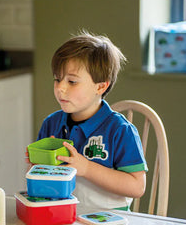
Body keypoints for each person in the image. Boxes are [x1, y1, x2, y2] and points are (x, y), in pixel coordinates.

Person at [29, 31, 147, 211]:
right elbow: (46, 185)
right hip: (63, 217)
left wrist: (86, 168)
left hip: (110, 223)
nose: (60, 88)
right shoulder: (51, 124)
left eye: (72, 82)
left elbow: (137, 187)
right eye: (57, 79)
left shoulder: (120, 130)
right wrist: (38, 168)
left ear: (100, 86)